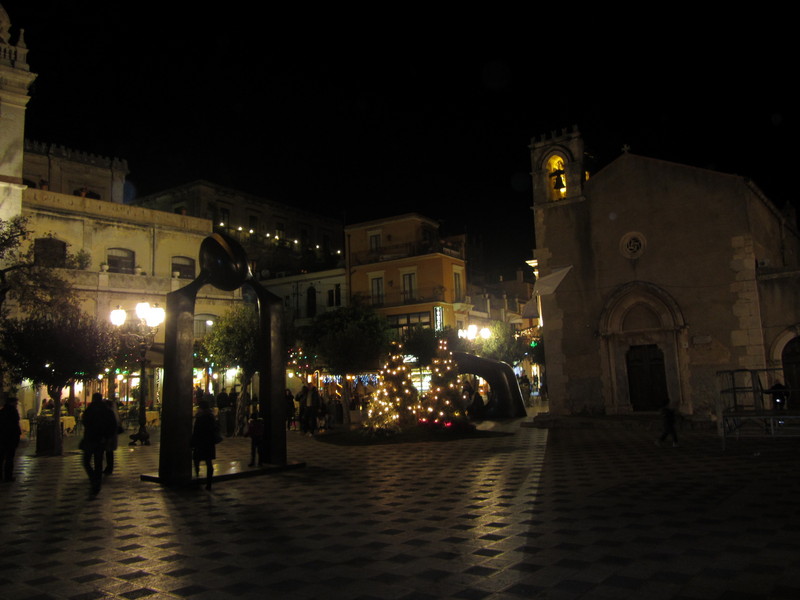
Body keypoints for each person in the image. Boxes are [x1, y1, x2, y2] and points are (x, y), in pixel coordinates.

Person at [81, 393, 117, 495]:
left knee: (86, 461)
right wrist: (107, 437)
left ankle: (94, 479)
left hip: (90, 438)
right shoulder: (107, 411)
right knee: (98, 462)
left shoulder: (90, 409)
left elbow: (85, 421)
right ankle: (97, 481)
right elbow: (112, 424)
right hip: (101, 439)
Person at [191, 399, 220, 490]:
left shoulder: (200, 417)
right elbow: (215, 428)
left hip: (200, 441)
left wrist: (193, 442)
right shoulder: (211, 416)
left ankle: (197, 474)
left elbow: (196, 430)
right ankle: (209, 483)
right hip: (209, 442)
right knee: (209, 462)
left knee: (197, 459)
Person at [0, 395, 22, 482]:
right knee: (9, 458)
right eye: (16, 403)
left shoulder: (2, 411)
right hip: (11, 438)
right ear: (12, 403)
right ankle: (8, 476)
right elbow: (15, 425)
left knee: (1, 457)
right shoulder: (13, 412)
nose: (16, 405)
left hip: (2, 437)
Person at [104, 398, 123, 475]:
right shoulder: (112, 413)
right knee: (109, 452)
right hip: (111, 435)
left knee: (108, 452)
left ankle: (109, 468)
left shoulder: (109, 413)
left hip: (110, 435)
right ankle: (109, 467)